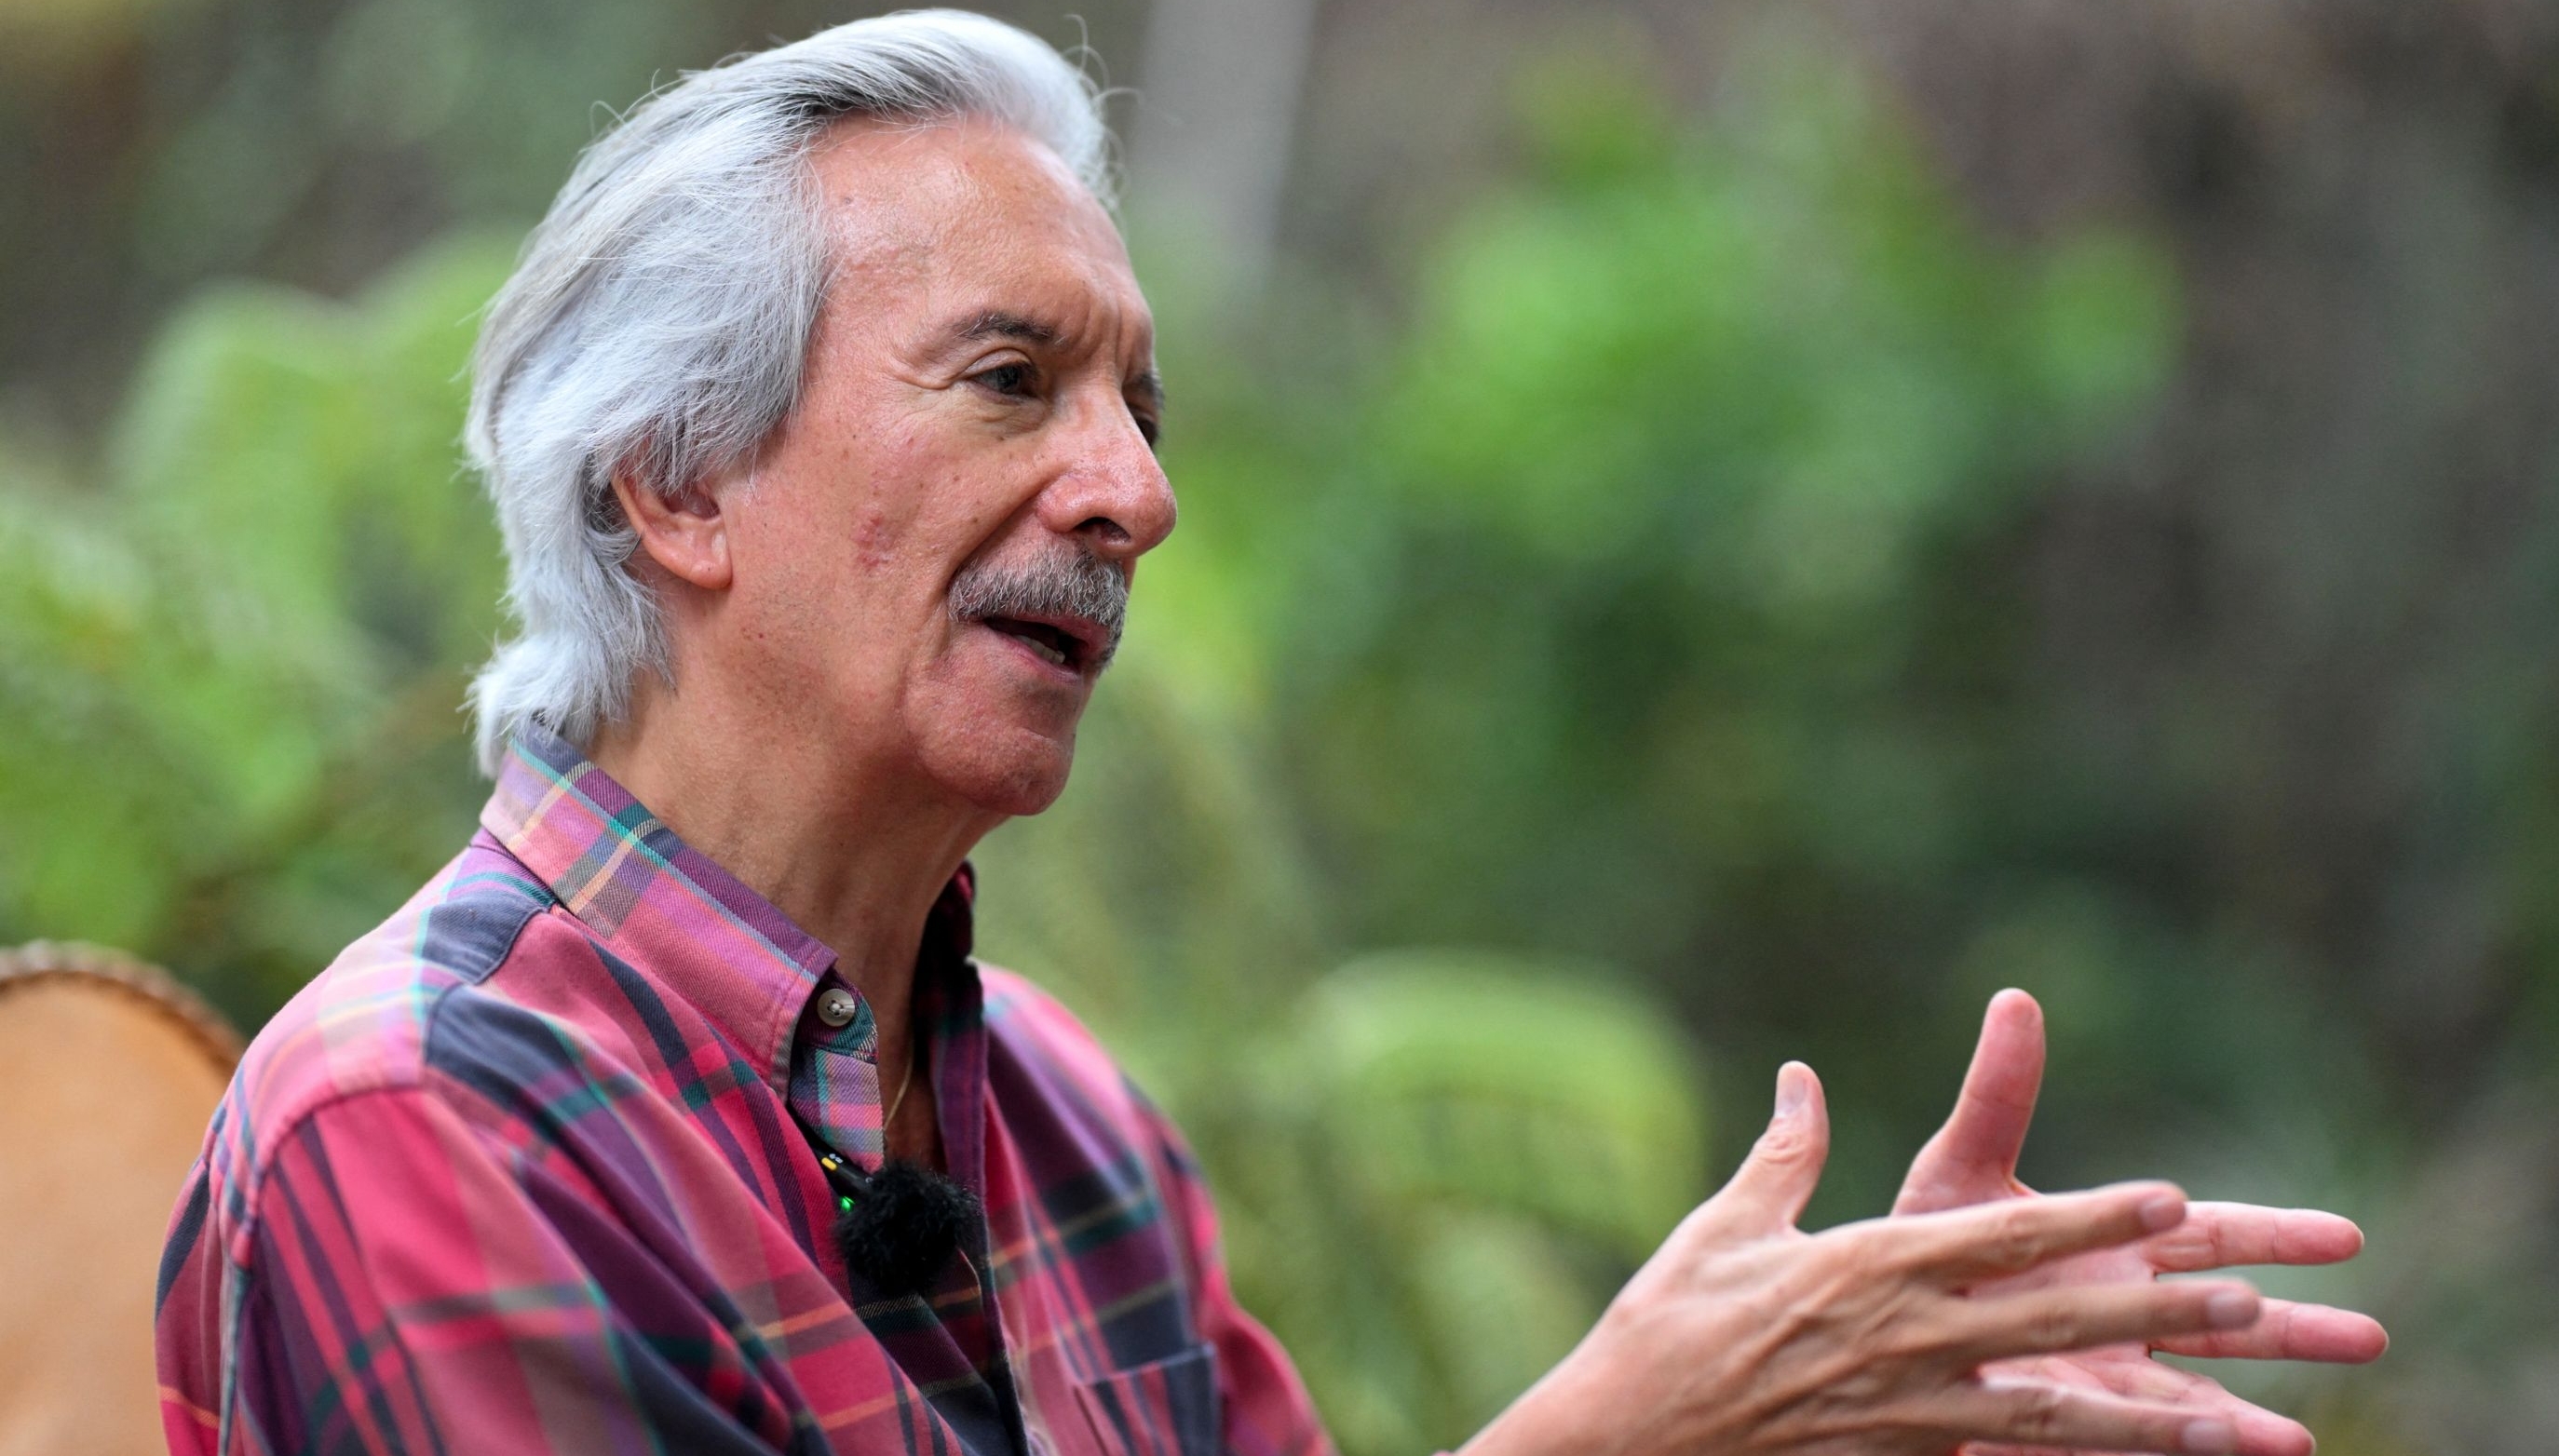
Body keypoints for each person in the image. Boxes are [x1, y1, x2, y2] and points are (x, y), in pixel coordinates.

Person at [151, 12, 2385, 1456]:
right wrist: (1627, 1429)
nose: (1137, 489)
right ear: (677, 479)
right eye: (1012, 381)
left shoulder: (1072, 1121)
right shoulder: (424, 1128)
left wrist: (1842, 1427)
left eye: (1141, 400)